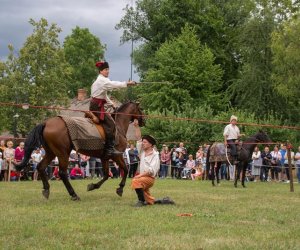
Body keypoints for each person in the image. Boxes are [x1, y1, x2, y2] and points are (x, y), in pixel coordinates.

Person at [88, 61, 136, 158]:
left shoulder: (100, 81)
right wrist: (127, 83)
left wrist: (112, 104)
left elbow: (104, 95)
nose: (108, 71)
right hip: (97, 106)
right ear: (101, 71)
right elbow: (114, 84)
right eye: (106, 70)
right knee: (111, 124)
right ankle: (109, 149)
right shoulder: (102, 80)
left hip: (96, 105)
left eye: (108, 70)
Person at [131, 119, 174, 207]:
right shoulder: (141, 152)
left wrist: (139, 175)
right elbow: (138, 139)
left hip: (149, 178)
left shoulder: (155, 155)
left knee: (135, 181)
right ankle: (165, 201)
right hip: (143, 177)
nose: (143, 144)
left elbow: (151, 171)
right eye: (143, 142)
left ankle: (141, 201)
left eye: (145, 142)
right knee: (150, 201)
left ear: (150, 144)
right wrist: (136, 127)